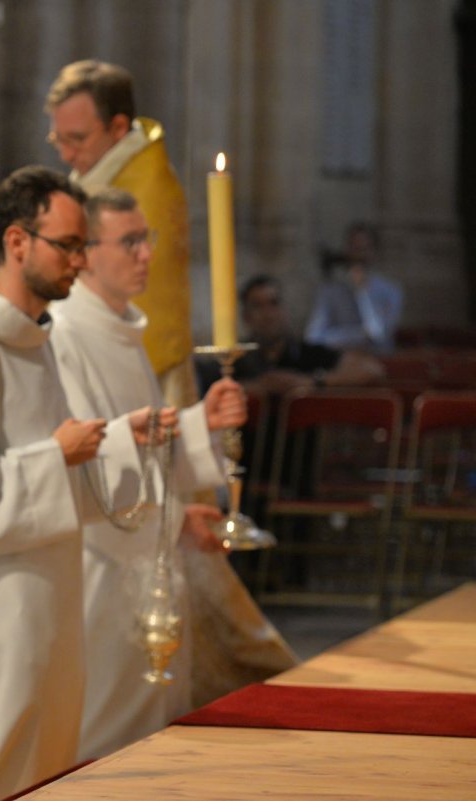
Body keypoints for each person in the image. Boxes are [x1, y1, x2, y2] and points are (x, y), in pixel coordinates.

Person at [0, 166, 141, 801]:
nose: (80, 261)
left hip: (43, 605)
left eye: (83, 245)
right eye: (68, 245)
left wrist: (120, 444)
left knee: (42, 769)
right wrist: (56, 455)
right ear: (17, 243)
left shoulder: (36, 345)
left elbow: (63, 473)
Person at [49, 187, 279, 758]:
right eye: (129, 241)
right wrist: (173, 517)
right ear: (85, 251)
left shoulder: (123, 331)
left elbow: (149, 448)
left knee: (150, 735)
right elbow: (85, 471)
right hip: (97, 572)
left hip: (143, 564)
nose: (146, 254)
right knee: (102, 740)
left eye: (145, 239)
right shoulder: (63, 335)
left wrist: (204, 422)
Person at [45, 59, 196, 409]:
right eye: (59, 140)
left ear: (118, 127)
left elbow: (129, 292)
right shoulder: (100, 174)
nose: (67, 155)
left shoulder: (146, 190)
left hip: (135, 368)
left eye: (78, 139)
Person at [234, 273, 385, 397]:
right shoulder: (235, 359)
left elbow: (371, 369)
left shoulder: (308, 353)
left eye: (274, 303)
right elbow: (213, 386)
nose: (268, 315)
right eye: (258, 306)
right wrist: (253, 387)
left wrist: (313, 381)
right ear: (246, 317)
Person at [305, 222, 403, 354]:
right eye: (354, 248)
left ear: (374, 252)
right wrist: (359, 336)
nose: (359, 255)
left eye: (364, 248)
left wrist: (362, 293)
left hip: (379, 363)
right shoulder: (330, 291)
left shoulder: (391, 292)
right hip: (340, 364)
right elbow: (313, 337)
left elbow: (377, 335)